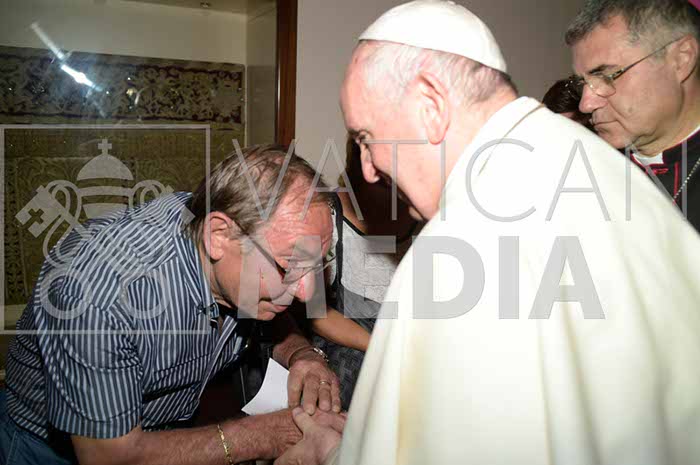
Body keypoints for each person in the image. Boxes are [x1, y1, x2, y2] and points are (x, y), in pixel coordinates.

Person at [274, 2, 700, 464]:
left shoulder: (468, 236)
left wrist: (330, 454)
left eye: (366, 138)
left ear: (432, 107)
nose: (369, 168)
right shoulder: (605, 171)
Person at [0, 145, 345, 465]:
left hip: (165, 431)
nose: (306, 293)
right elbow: (108, 456)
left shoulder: (235, 252)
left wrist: (302, 354)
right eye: (289, 266)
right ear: (218, 236)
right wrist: (268, 435)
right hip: (47, 450)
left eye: (316, 264)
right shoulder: (99, 295)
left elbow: (268, 311)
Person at [566, 0, 700, 232]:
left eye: (606, 76)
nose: (586, 104)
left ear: (682, 59)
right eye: (581, 84)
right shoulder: (583, 173)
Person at [310, 137, 418, 410]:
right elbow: (316, 313)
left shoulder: (427, 215)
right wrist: (382, 348)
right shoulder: (324, 214)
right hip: (351, 347)